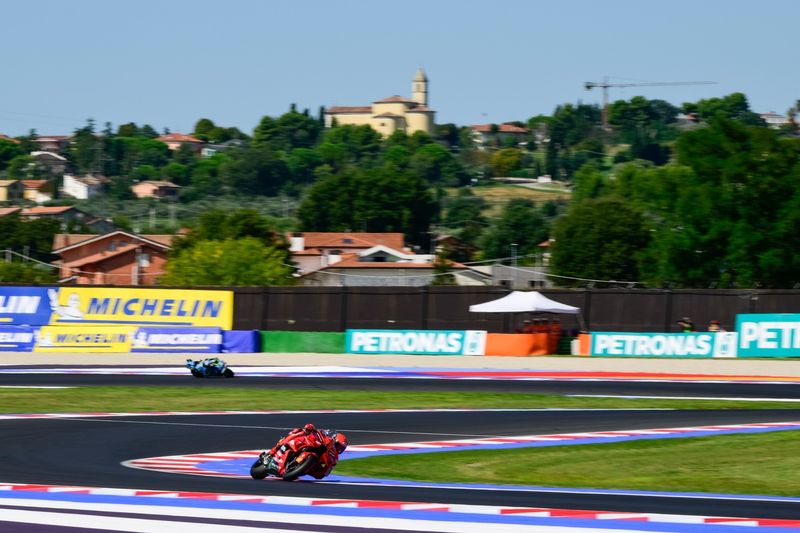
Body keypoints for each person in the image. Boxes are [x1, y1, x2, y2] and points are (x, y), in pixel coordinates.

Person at [263, 423, 348, 480]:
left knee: (320, 474)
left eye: (341, 448)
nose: (339, 449)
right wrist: (310, 428)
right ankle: (271, 454)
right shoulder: (324, 436)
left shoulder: (335, 457)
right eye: (338, 445)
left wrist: (325, 469)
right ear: (334, 439)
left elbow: (325, 473)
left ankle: (297, 470)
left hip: (315, 457)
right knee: (298, 432)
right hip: (306, 443)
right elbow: (312, 429)